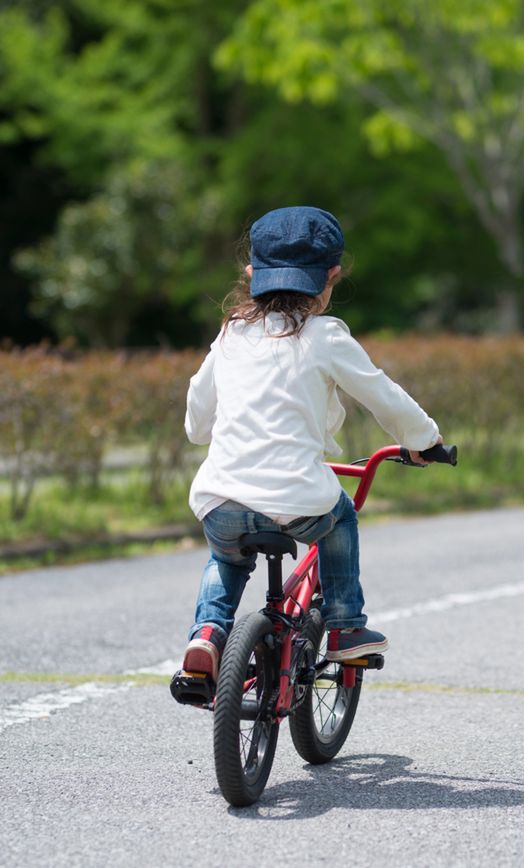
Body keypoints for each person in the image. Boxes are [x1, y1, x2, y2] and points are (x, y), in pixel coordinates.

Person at [181, 206, 441, 678]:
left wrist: (206, 432)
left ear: (251, 273)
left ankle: (207, 635)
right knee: (340, 516)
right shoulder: (327, 336)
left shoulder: (231, 332)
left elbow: (197, 421)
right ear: (332, 277)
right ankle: (345, 626)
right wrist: (424, 438)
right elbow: (383, 395)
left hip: (219, 497)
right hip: (297, 497)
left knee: (227, 558)